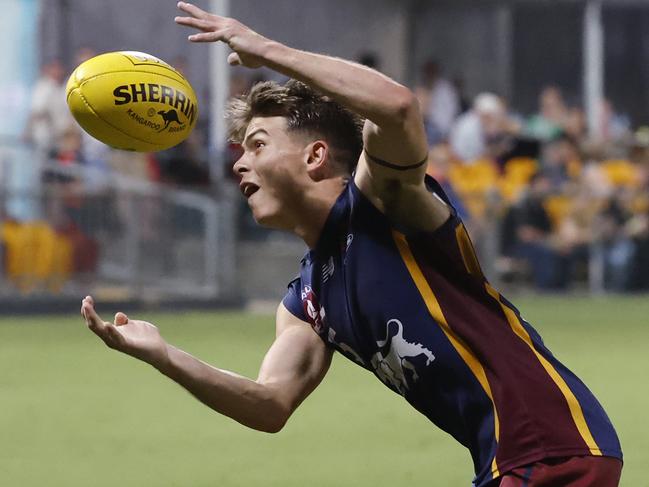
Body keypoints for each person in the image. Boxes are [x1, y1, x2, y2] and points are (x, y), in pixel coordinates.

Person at [80, 3, 623, 487]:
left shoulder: (382, 201)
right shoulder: (306, 301)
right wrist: (165, 356)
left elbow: (398, 109)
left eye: (258, 144)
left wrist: (267, 50)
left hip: (550, 447)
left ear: (316, 156)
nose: (238, 162)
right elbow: (271, 404)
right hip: (511, 460)